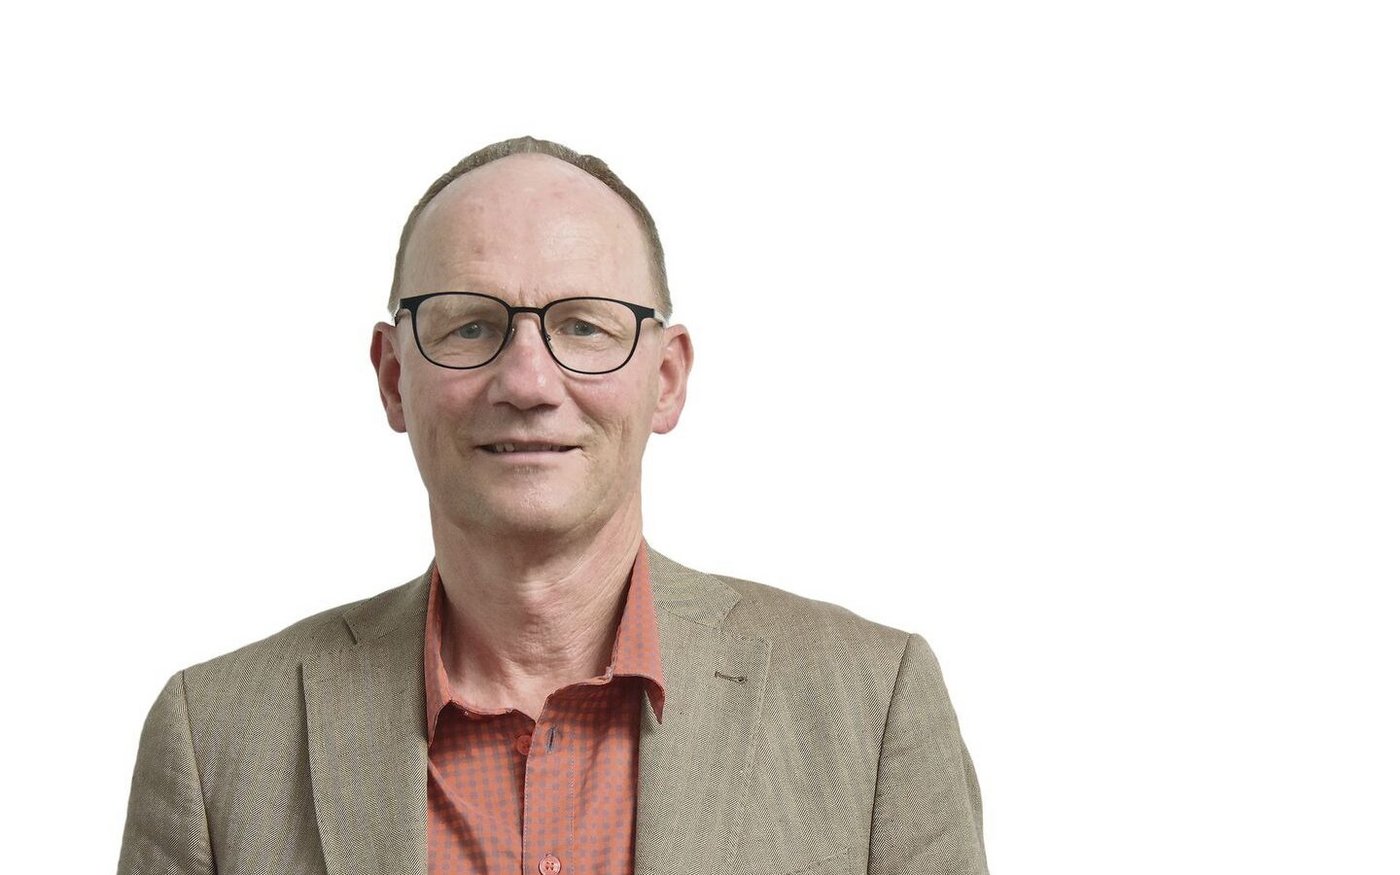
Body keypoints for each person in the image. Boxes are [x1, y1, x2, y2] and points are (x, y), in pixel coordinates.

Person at [117, 136, 990, 875]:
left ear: (666, 379)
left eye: (584, 325)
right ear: (391, 377)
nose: (529, 381)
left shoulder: (873, 708)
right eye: (469, 325)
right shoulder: (215, 738)